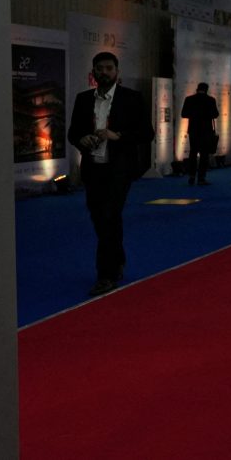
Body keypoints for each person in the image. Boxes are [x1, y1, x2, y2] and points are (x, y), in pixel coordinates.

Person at [67, 52, 154, 296]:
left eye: (108, 68)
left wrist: (119, 136)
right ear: (93, 72)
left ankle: (105, 275)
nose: (104, 72)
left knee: (108, 216)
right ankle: (117, 259)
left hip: (120, 169)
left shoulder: (132, 98)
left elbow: (147, 133)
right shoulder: (83, 99)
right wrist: (81, 139)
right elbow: (73, 132)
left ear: (117, 71)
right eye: (99, 68)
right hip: (93, 169)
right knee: (101, 219)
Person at [180, 82, 219, 185]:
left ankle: (192, 176)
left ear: (197, 89)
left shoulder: (189, 99)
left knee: (193, 153)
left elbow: (184, 114)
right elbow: (215, 114)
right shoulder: (210, 100)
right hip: (206, 131)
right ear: (207, 89)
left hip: (193, 130)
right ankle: (201, 177)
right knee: (204, 154)